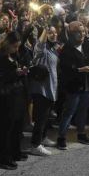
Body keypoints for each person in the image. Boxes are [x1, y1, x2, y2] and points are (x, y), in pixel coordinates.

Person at [0, 32, 28, 169]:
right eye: (14, 46)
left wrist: (21, 73)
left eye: (18, 46)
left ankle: (15, 152)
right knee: (6, 128)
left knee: (17, 125)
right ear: (7, 44)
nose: (17, 49)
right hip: (5, 98)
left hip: (16, 94)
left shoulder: (14, 55)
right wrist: (15, 74)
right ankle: (3, 157)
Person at [57, 22, 89, 148]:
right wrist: (80, 70)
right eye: (78, 32)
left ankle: (81, 134)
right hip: (73, 86)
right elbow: (65, 69)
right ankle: (61, 137)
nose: (82, 34)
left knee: (83, 111)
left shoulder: (88, 45)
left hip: (87, 84)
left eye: (83, 31)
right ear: (71, 34)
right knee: (69, 112)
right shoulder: (67, 49)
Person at [27, 26, 60, 155]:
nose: (54, 34)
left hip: (51, 88)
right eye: (50, 32)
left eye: (55, 32)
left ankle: (43, 138)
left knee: (46, 118)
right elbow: (40, 44)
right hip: (41, 89)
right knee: (40, 119)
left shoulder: (53, 49)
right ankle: (35, 145)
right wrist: (45, 30)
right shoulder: (40, 48)